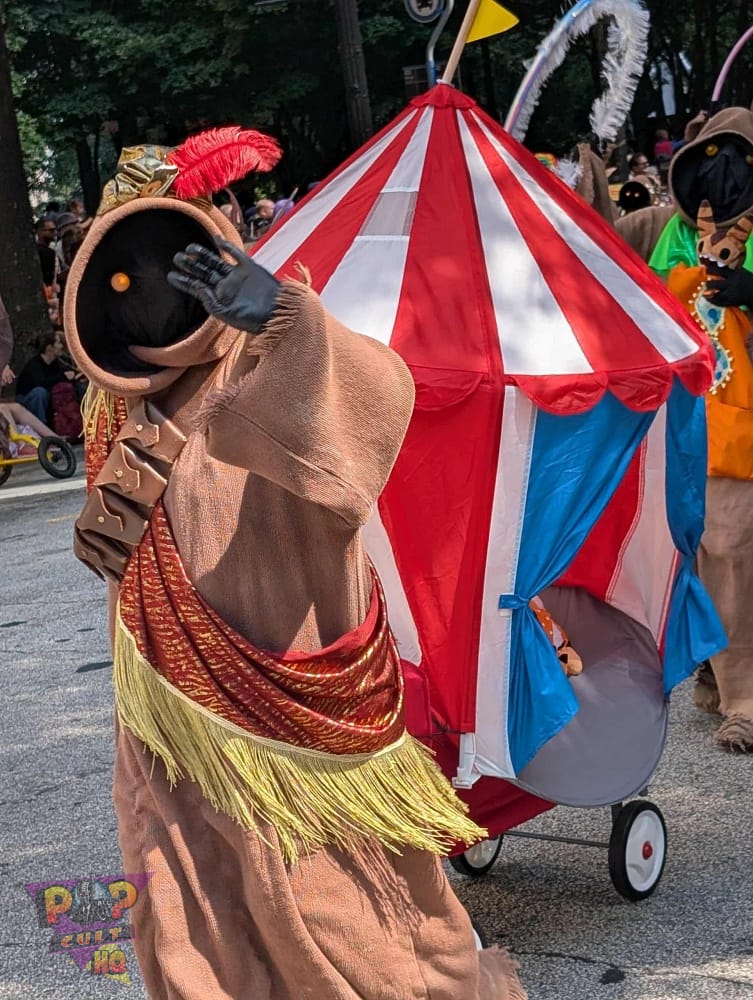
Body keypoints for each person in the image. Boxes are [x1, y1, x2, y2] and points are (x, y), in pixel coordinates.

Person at [64, 139, 525, 999]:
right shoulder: (113, 403)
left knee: (339, 913)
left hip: (297, 705)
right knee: (187, 905)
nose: (147, 292)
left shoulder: (272, 344)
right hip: (170, 719)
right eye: (120, 277)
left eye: (167, 260)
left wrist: (283, 315)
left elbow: (376, 398)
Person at [616, 106, 753, 752]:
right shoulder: (662, 229)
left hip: (736, 434)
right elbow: (604, 259)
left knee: (728, 553)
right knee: (691, 556)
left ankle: (744, 701)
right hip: (674, 429)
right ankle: (711, 671)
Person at [15, 330, 80, 425]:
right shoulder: (34, 364)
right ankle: (41, 426)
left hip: (44, 401)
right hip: (27, 401)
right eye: (58, 343)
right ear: (49, 348)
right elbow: (42, 383)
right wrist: (63, 376)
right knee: (40, 393)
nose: (61, 346)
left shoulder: (56, 364)